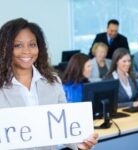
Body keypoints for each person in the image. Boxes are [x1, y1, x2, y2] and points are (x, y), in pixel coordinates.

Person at [0, 18, 98, 150]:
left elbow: (64, 126)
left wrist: (79, 143)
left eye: (32, 44)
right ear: (5, 49)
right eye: (18, 45)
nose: (26, 51)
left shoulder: (53, 82)